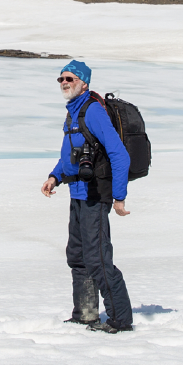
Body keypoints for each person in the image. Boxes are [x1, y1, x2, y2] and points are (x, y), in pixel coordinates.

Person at [40, 61, 134, 334]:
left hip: (95, 195)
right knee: (78, 255)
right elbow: (67, 156)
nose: (64, 82)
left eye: (69, 78)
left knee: (98, 259)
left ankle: (121, 320)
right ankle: (85, 313)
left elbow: (119, 154)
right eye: (61, 79)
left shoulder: (92, 111)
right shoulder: (73, 113)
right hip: (77, 193)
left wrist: (119, 197)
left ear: (84, 83)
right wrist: (54, 176)